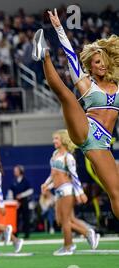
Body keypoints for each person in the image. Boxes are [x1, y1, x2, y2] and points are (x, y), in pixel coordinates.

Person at [32, 8, 119, 219]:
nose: (101, 65)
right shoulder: (86, 84)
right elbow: (71, 54)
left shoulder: (116, 85)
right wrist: (59, 28)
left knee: (116, 193)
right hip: (86, 131)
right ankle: (44, 55)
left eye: (103, 61)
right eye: (96, 62)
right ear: (90, 65)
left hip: (103, 143)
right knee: (67, 96)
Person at [41, 130, 100, 255]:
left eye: (56, 139)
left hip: (67, 190)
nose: (54, 141)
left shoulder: (68, 157)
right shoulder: (54, 154)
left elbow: (74, 176)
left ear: (63, 140)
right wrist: (47, 185)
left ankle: (68, 246)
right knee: (60, 221)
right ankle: (87, 233)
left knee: (66, 221)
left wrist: (80, 193)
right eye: (54, 139)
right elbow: (53, 175)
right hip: (57, 191)